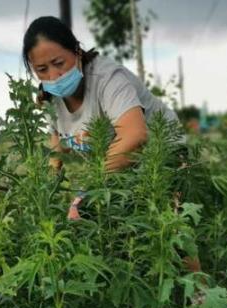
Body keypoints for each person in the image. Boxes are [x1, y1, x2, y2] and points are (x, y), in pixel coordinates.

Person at [22, 16, 180, 220]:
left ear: (77, 52)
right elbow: (58, 147)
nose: (54, 76)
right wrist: (45, 192)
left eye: (58, 63)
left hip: (164, 160)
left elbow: (135, 136)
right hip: (122, 170)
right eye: (42, 70)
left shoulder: (107, 79)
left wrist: (87, 191)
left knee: (167, 234)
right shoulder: (51, 97)